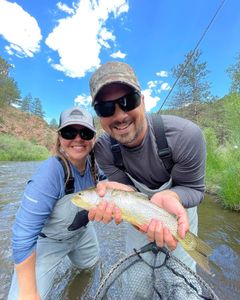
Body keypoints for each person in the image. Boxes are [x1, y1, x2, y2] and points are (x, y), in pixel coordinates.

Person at [88, 61, 206, 272]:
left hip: (177, 216)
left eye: (128, 101)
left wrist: (171, 197)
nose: (119, 115)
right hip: (137, 214)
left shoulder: (185, 136)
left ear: (142, 101)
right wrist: (122, 203)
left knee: (180, 282)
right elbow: (128, 191)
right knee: (137, 284)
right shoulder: (103, 150)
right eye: (106, 108)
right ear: (99, 116)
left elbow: (194, 189)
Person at [8, 107, 106, 300]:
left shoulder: (96, 165)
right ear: (60, 138)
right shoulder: (49, 174)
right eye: (69, 132)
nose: (78, 139)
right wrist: (29, 293)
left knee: (89, 268)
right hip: (48, 242)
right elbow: (23, 236)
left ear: (93, 138)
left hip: (83, 231)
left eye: (85, 132)